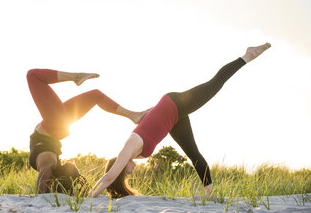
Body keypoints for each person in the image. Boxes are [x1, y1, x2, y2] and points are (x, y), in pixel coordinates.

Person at [90, 43, 272, 198]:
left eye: (125, 174)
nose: (130, 173)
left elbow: (108, 178)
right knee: (193, 154)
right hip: (173, 119)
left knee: (214, 84)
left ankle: (248, 55)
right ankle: (210, 194)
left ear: (119, 168)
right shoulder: (133, 153)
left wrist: (88, 197)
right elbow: (152, 125)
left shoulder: (127, 150)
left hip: (174, 105)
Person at [27, 69, 149, 193]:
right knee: (33, 76)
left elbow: (45, 172)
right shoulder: (50, 160)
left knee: (95, 95)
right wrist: (43, 198)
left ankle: (76, 76)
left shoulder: (47, 159)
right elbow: (46, 170)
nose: (70, 167)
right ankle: (134, 115)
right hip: (55, 125)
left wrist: (42, 197)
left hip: (55, 125)